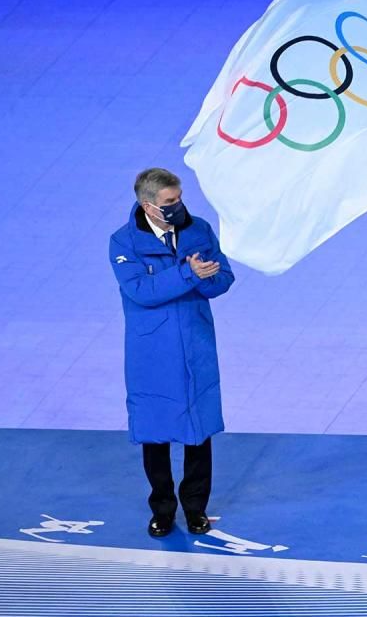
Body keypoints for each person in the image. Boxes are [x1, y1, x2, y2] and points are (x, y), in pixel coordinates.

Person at [109, 168, 234, 537]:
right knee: (155, 432)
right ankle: (162, 509)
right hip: (152, 352)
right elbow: (141, 291)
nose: (179, 206)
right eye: (170, 202)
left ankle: (196, 509)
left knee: (199, 431)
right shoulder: (124, 243)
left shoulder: (199, 230)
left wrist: (207, 276)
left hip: (195, 344)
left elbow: (223, 279)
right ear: (148, 206)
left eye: (179, 198)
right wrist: (188, 274)